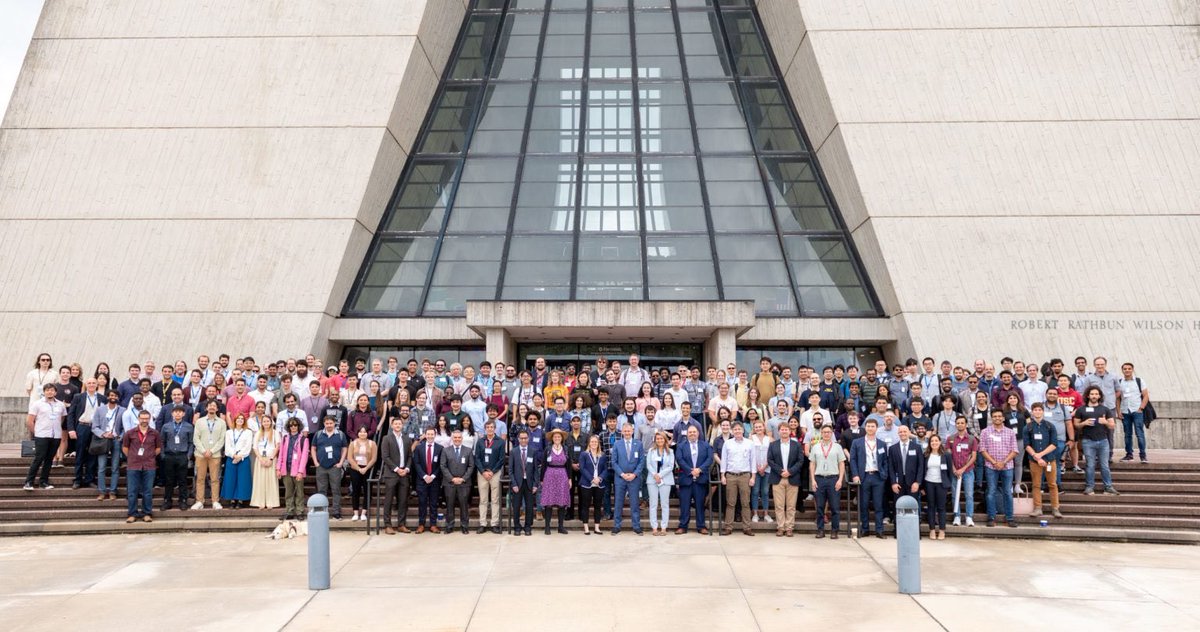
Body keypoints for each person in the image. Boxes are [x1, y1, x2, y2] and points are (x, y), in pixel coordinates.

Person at [1074, 386, 1120, 496]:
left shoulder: (1105, 409)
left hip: (1103, 441)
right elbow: (1076, 424)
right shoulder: (1081, 409)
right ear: (1088, 395)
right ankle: (1089, 487)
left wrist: (1105, 422)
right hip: (1088, 441)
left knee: (1104, 465)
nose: (1094, 396)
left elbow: (1112, 426)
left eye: (1096, 394)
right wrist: (1084, 423)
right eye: (1092, 394)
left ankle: (1108, 487)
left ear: (1099, 396)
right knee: (1090, 465)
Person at [850, 418, 889, 538]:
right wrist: (855, 475)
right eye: (868, 426)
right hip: (864, 476)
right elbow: (853, 460)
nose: (870, 428)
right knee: (864, 504)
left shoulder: (882, 443)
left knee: (878, 505)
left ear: (876, 428)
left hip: (878, 477)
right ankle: (865, 529)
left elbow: (885, 461)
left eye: (873, 426)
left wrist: (884, 474)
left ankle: (879, 530)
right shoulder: (857, 443)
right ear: (865, 428)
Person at [980, 409, 1019, 528]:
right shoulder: (985, 432)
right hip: (991, 466)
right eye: (994, 416)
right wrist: (994, 462)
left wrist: (1003, 462)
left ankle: (1010, 518)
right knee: (991, 492)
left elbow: (1015, 450)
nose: (997, 418)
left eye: (999, 416)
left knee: (1007, 492)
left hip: (1007, 466)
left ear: (1003, 418)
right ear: (992, 418)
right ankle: (991, 517)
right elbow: (982, 449)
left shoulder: (1010, 432)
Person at [25, 383, 66, 491]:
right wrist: (37, 432)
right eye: (47, 390)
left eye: (52, 390)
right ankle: (29, 482)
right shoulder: (37, 404)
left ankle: (43, 482)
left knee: (49, 460)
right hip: (41, 436)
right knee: (39, 458)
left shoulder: (60, 405)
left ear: (55, 392)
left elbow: (61, 418)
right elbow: (29, 421)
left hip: (55, 436)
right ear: (44, 391)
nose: (50, 392)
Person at [122, 410, 161, 523]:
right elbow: (125, 448)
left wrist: (150, 456)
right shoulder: (130, 433)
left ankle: (147, 513)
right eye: (142, 418)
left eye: (146, 418)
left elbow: (158, 448)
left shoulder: (155, 433)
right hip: (133, 465)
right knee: (132, 491)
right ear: (138, 419)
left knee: (147, 491)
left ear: (149, 419)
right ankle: (132, 514)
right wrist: (132, 457)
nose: (144, 420)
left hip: (149, 465)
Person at [1024, 402, 1061, 518]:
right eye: (1035, 410)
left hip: (1049, 459)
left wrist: (1041, 455)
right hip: (1034, 460)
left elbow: (1054, 444)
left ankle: (1055, 508)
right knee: (1036, 485)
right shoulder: (1028, 427)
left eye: (1040, 410)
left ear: (1043, 411)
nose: (1038, 412)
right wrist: (1036, 456)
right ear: (1032, 412)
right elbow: (1026, 445)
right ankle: (1038, 508)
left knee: (1052, 484)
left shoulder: (1050, 426)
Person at [809, 424, 847, 538]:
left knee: (835, 507)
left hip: (833, 479)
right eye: (824, 432)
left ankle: (835, 530)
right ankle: (820, 530)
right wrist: (813, 480)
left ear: (832, 434)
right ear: (821, 433)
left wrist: (840, 480)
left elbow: (841, 463)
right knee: (820, 507)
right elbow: (812, 464)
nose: (826, 434)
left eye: (828, 432)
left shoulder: (837, 447)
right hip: (819, 479)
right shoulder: (815, 447)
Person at [720, 421, 756, 536]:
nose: (737, 431)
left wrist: (753, 477)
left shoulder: (749, 443)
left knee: (746, 502)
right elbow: (724, 460)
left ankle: (747, 527)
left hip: (745, 476)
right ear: (732, 431)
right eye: (735, 429)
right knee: (730, 503)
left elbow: (753, 461)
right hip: (731, 475)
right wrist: (723, 475)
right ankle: (728, 527)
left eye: (739, 429)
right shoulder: (728, 443)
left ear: (743, 430)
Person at [674, 424, 712, 535]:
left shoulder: (705, 445)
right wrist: (690, 471)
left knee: (700, 504)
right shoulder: (681, 446)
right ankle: (683, 526)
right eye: (690, 432)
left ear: (698, 433)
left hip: (700, 480)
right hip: (686, 479)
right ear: (687, 434)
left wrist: (699, 470)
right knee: (684, 504)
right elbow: (679, 459)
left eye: (694, 432)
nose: (692, 434)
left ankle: (701, 526)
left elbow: (709, 459)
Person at [767, 423, 803, 537]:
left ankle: (789, 528)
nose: (784, 431)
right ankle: (780, 527)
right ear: (779, 431)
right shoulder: (773, 445)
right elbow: (770, 460)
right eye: (782, 429)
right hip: (778, 478)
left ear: (790, 431)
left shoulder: (796, 445)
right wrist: (781, 471)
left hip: (793, 478)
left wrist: (790, 471)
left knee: (791, 506)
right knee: (779, 505)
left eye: (786, 429)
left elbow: (800, 461)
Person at [611, 421, 645, 535]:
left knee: (634, 503)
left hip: (634, 478)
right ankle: (617, 526)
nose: (627, 433)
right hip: (620, 478)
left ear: (632, 431)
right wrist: (622, 474)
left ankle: (636, 526)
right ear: (622, 432)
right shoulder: (617, 444)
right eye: (625, 431)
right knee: (618, 503)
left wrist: (634, 474)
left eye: (629, 431)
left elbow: (641, 461)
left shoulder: (638, 444)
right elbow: (614, 462)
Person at [311, 416, 348, 520]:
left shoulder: (340, 434)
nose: (329, 425)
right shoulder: (318, 434)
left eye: (331, 423)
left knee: (336, 490)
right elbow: (313, 448)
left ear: (334, 423)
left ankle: (336, 512)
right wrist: (315, 462)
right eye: (327, 423)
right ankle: (322, 510)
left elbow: (344, 448)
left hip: (335, 467)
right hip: (321, 466)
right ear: (324, 424)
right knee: (322, 490)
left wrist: (341, 462)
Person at [380, 417, 413, 534]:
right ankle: (387, 525)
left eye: (400, 423)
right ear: (392, 425)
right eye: (396, 423)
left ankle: (401, 524)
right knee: (388, 500)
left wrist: (407, 468)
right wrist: (396, 469)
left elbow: (410, 456)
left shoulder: (407, 439)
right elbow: (385, 456)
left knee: (403, 500)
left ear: (402, 425)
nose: (398, 425)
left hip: (404, 474)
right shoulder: (386, 438)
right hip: (391, 474)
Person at [67, 378, 102, 489]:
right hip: (82, 426)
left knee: (93, 454)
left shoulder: (102, 398)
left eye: (93, 383)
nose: (91, 385)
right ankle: (77, 479)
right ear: (86, 385)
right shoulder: (78, 397)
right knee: (80, 454)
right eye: (89, 383)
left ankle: (90, 479)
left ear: (97, 385)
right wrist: (71, 429)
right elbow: (71, 414)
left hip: (96, 428)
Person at [191, 401, 226, 510]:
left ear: (217, 409)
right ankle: (199, 501)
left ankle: (215, 501)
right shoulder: (200, 422)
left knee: (215, 479)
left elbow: (222, 439)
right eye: (210, 406)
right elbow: (196, 438)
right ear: (206, 408)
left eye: (214, 406)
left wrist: (212, 451)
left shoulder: (221, 422)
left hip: (215, 455)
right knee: (200, 478)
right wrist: (203, 451)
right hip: (200, 455)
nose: (212, 408)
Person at [888, 424, 924, 526]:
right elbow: (890, 467)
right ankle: (897, 530)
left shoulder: (917, 447)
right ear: (898, 433)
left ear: (909, 433)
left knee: (913, 507)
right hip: (898, 483)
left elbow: (921, 466)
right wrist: (893, 483)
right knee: (898, 506)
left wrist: (917, 482)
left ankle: (914, 530)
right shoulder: (892, 449)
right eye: (900, 432)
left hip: (912, 482)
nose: (903, 433)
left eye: (905, 431)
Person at [474, 419, 506, 534]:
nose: (490, 429)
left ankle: (494, 523)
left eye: (492, 427)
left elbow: (501, 459)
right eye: (487, 427)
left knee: (495, 499)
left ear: (495, 428)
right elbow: (477, 458)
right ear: (485, 429)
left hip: (495, 473)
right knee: (483, 500)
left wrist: (492, 472)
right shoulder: (480, 442)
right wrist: (483, 471)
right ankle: (482, 523)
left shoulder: (500, 442)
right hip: (482, 473)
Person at [440, 429, 475, 534]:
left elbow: (471, 466)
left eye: (459, 437)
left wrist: (463, 478)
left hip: (464, 483)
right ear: (452, 438)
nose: (457, 439)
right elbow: (443, 466)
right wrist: (452, 478)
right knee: (449, 505)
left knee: (464, 505)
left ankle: (464, 526)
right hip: (449, 483)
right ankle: (449, 526)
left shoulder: (468, 450)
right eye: (455, 437)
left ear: (462, 438)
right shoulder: (446, 450)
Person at [946, 416, 978, 527]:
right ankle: (957, 516)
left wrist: (963, 469)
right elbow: (948, 456)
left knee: (969, 495)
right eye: (958, 423)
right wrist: (954, 469)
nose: (960, 424)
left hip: (968, 471)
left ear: (966, 424)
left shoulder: (971, 439)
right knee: (955, 495)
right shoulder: (950, 439)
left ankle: (969, 517)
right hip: (955, 472)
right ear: (955, 424)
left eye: (962, 423)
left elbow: (973, 456)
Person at [159, 405, 193, 511]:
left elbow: (191, 442)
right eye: (176, 412)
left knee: (182, 480)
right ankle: (167, 501)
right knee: (169, 480)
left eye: (180, 412)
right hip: (169, 455)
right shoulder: (166, 426)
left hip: (182, 455)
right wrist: (163, 455)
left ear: (183, 414)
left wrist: (188, 456)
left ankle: (183, 501)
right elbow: (162, 442)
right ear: (172, 414)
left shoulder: (189, 426)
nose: (178, 414)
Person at [93, 390, 124, 500]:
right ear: (107, 397)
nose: (113, 397)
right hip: (103, 440)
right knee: (101, 467)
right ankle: (102, 491)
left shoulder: (122, 410)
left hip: (116, 440)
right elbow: (94, 427)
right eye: (111, 395)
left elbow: (124, 427)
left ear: (118, 398)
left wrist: (120, 436)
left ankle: (113, 491)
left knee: (115, 467)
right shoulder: (100, 409)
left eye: (115, 395)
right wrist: (103, 434)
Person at [539, 428, 571, 534]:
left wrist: (569, 479)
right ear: (552, 438)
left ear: (562, 438)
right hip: (549, 475)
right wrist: (542, 479)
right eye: (555, 436)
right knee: (549, 502)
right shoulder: (548, 449)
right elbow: (544, 464)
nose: (557, 438)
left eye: (559, 436)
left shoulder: (566, 449)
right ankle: (547, 526)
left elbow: (569, 465)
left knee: (561, 502)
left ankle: (560, 527)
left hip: (562, 476)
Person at [1116, 362, 1150, 463]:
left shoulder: (1139, 381)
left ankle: (1143, 455)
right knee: (1127, 434)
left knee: (1139, 434)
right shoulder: (1119, 382)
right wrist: (1118, 411)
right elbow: (1118, 399)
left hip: (1137, 411)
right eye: (1125, 369)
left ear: (1132, 369)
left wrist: (1141, 408)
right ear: (1122, 370)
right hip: (1125, 411)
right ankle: (1129, 455)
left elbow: (1146, 396)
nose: (1127, 370)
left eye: (1129, 369)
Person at [509, 429, 540, 536]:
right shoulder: (513, 451)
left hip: (529, 484)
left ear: (528, 439)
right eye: (521, 438)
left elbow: (536, 470)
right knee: (516, 506)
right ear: (518, 439)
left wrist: (536, 484)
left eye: (525, 438)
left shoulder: (533, 451)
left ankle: (527, 526)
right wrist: (513, 484)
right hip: (517, 484)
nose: (523, 440)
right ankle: (517, 527)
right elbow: (510, 470)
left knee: (529, 507)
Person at [277, 417, 309, 520]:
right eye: (291, 425)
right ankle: (289, 511)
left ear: (298, 426)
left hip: (298, 469)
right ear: (288, 427)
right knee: (288, 491)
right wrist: (278, 468)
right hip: (286, 468)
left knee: (299, 492)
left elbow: (304, 456)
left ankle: (300, 512)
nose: (293, 427)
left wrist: (300, 471)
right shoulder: (285, 438)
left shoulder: (304, 439)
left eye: (295, 425)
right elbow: (281, 454)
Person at [413, 427, 444, 533]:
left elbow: (441, 465)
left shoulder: (440, 448)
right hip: (422, 480)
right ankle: (421, 524)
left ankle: (433, 524)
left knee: (433, 503)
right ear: (425, 435)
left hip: (435, 480)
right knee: (422, 502)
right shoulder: (419, 448)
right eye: (428, 434)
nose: (430, 436)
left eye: (432, 434)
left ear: (435, 435)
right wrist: (425, 476)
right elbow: (416, 464)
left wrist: (433, 476)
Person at [646, 431, 675, 536]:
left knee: (664, 504)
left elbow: (671, 466)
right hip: (652, 480)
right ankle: (654, 527)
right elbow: (648, 464)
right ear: (655, 440)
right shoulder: (651, 451)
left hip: (665, 480)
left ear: (665, 439)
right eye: (658, 438)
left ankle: (663, 527)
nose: (659, 440)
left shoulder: (670, 452)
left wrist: (660, 475)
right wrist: (655, 475)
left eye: (661, 438)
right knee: (653, 504)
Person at [346, 426, 378, 521]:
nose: (362, 433)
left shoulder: (372, 444)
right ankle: (355, 512)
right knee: (356, 491)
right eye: (360, 432)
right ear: (357, 433)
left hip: (368, 469)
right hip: (355, 469)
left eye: (364, 432)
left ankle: (364, 512)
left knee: (367, 491)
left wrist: (366, 468)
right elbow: (350, 458)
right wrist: (358, 468)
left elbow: (374, 458)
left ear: (367, 433)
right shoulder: (353, 443)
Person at [222, 414, 254, 509]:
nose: (240, 420)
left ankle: (240, 500)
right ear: (234, 420)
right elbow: (227, 446)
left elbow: (248, 446)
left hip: (243, 458)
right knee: (231, 479)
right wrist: (234, 455)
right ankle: (232, 500)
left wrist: (240, 456)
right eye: (238, 418)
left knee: (242, 480)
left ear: (244, 421)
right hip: (231, 458)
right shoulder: (229, 432)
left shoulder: (248, 432)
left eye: (242, 419)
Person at [250, 415, 280, 509]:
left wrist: (271, 459)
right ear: (261, 423)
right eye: (264, 421)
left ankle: (271, 502)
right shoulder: (258, 433)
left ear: (271, 422)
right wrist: (260, 459)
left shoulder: (275, 433)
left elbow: (277, 446)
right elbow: (255, 447)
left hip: (271, 459)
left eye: (268, 421)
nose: (266, 423)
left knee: (271, 481)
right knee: (260, 481)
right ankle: (260, 502)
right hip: (260, 459)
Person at [923, 434, 950, 539]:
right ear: (929, 443)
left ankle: (942, 530)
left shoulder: (946, 455)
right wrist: (922, 487)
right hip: (929, 483)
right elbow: (923, 470)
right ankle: (932, 530)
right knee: (931, 507)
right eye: (932, 441)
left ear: (940, 442)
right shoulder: (925, 455)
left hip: (941, 484)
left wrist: (948, 485)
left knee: (941, 507)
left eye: (936, 441)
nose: (934, 443)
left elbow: (949, 472)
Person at [749, 420, 772, 524]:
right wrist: (757, 467)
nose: (758, 429)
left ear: (764, 427)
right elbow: (750, 454)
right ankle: (755, 514)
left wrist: (764, 466)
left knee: (766, 491)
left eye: (760, 427)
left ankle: (766, 514)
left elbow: (772, 455)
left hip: (767, 469)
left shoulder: (770, 439)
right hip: (755, 469)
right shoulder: (751, 439)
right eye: (756, 427)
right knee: (755, 491)